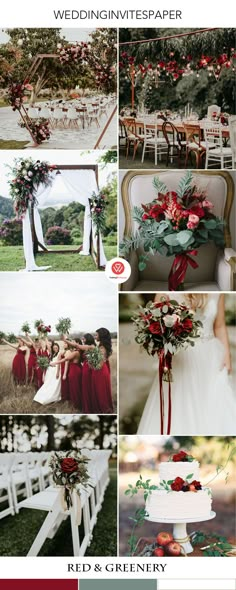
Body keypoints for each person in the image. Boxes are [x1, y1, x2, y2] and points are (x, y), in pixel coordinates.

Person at [137, 293, 236, 435]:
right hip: (181, 359)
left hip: (211, 359)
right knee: (181, 406)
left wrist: (227, 355)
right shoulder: (165, 294)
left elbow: (219, 326)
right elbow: (155, 330)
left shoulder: (217, 293)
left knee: (216, 407)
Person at [76, 328, 114, 413]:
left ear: (101, 336)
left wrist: (91, 363)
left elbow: (99, 364)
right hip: (101, 370)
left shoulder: (102, 347)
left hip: (100, 371)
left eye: (96, 335)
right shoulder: (101, 345)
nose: (95, 336)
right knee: (99, 391)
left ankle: (102, 409)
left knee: (100, 391)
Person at [51, 339, 82, 410]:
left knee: (70, 386)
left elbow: (66, 361)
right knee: (68, 385)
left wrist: (64, 373)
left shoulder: (70, 352)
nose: (64, 344)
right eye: (64, 343)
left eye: (65, 343)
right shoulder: (67, 351)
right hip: (66, 369)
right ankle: (67, 399)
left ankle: (70, 400)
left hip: (69, 369)